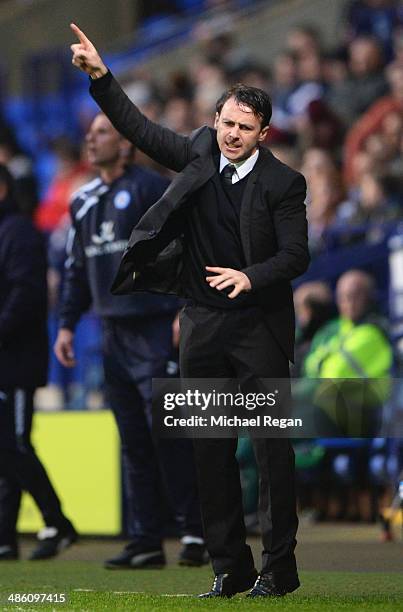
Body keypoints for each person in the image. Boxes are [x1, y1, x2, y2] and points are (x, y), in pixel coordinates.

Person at [70, 23, 309, 597]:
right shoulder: (200, 151)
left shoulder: (285, 182)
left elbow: (297, 256)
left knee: (273, 452)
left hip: (259, 326)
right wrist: (102, 79)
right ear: (218, 120)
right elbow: (142, 131)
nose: (231, 134)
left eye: (243, 128)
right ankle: (230, 570)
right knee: (208, 452)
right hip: (200, 325)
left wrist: (248, 277)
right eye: (226, 122)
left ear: (263, 133)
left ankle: (279, 571)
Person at [54, 112, 205, 569]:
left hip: (155, 326)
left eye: (101, 132)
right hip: (112, 332)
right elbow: (77, 269)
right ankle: (145, 540)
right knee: (132, 440)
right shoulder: (80, 201)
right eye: (90, 132)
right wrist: (65, 323)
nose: (90, 139)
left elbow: (186, 247)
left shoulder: (148, 189)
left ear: (125, 144)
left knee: (169, 437)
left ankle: (194, 533)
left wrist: (185, 307)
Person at [0, 164, 77, 561]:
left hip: (14, 362)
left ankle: (58, 521)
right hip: (8, 359)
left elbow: (26, 296)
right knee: (6, 449)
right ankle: (6, 537)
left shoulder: (18, 232)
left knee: (13, 445)